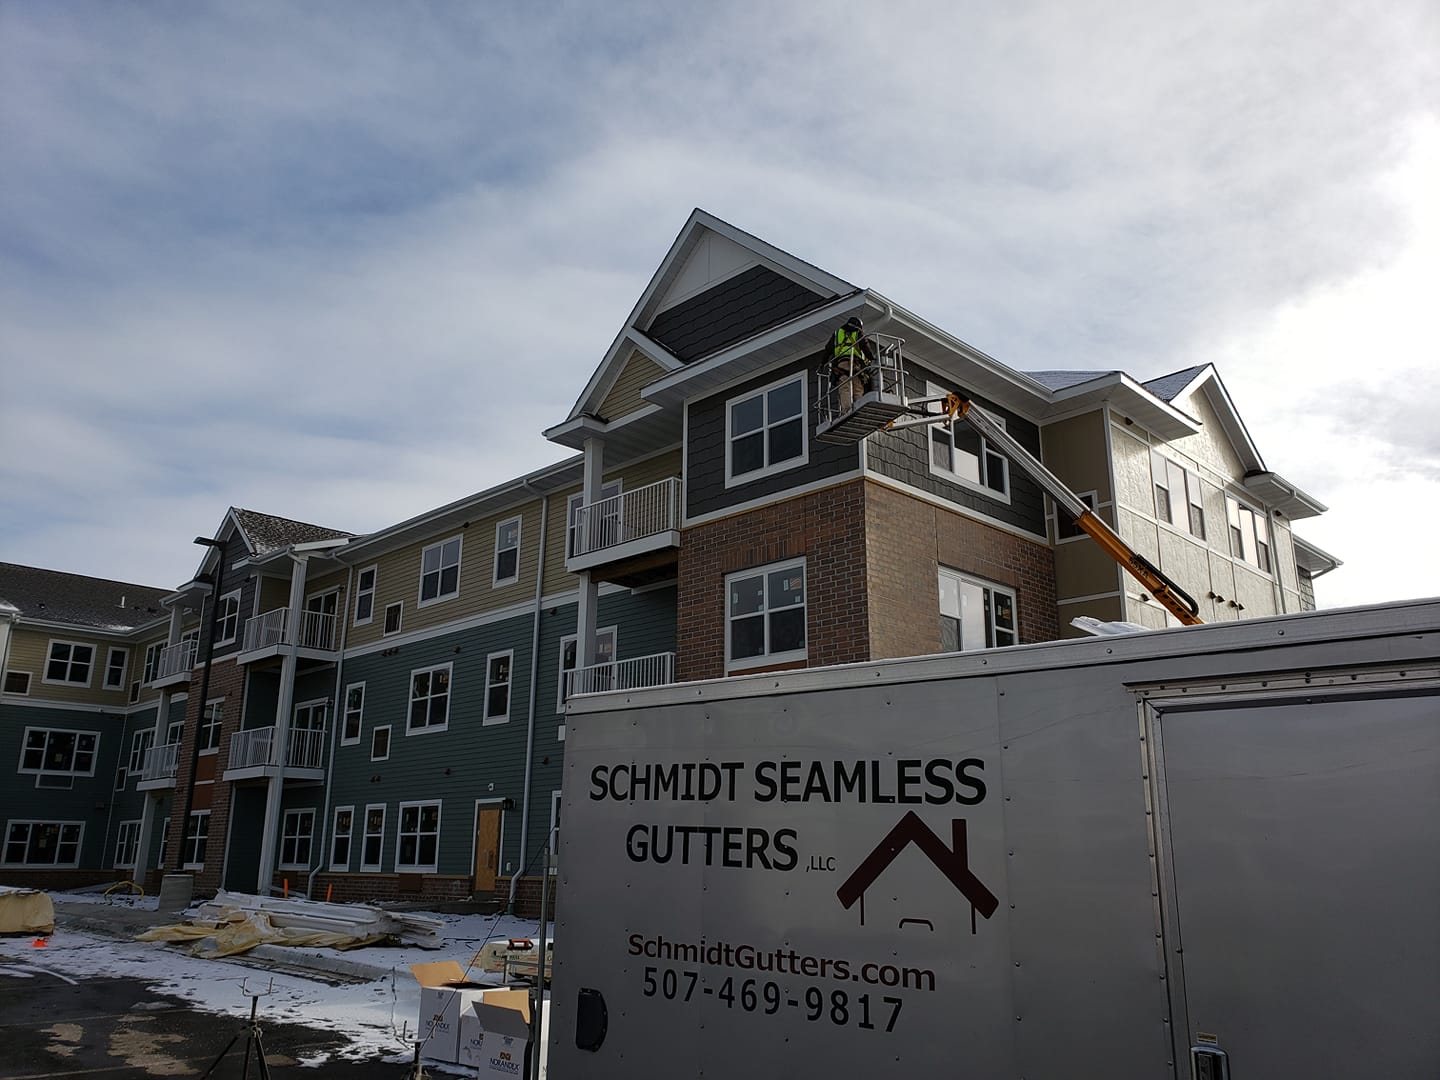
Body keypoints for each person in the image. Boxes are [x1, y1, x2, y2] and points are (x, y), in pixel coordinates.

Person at [828, 316, 877, 412]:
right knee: (857, 388)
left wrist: (822, 364)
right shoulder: (858, 332)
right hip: (855, 364)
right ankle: (858, 408)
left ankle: (846, 410)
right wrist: (872, 358)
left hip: (841, 364)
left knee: (845, 387)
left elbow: (828, 349)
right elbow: (864, 346)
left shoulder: (837, 333)